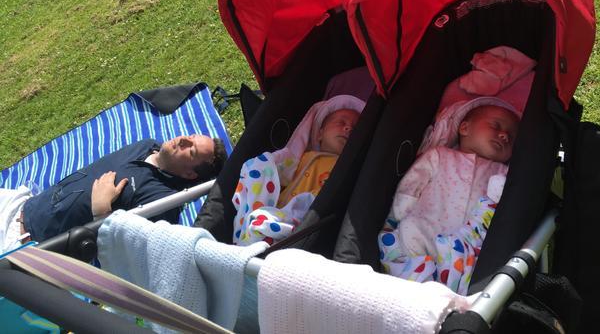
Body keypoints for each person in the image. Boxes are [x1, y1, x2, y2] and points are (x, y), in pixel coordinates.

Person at [378, 98, 519, 294]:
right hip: (427, 224)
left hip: (466, 245)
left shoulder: (504, 173)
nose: (504, 135)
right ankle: (413, 284)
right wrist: (400, 212)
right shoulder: (440, 155)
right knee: (410, 232)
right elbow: (413, 183)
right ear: (465, 128)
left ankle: (445, 291)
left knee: (470, 265)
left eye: (512, 137)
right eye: (496, 125)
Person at [0, 135, 227, 252]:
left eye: (191, 150)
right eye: (191, 136)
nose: (183, 140)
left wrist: (102, 214)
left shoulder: (162, 203)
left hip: (20, 242)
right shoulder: (147, 145)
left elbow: (128, 259)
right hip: (19, 203)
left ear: (190, 175)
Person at [232, 95, 365, 245]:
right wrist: (266, 167)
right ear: (320, 133)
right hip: (276, 210)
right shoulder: (302, 157)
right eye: (341, 122)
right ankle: (253, 236)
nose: (348, 128)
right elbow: (279, 175)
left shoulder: (347, 168)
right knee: (258, 168)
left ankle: (259, 238)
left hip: (308, 219)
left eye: (355, 128)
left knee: (265, 223)